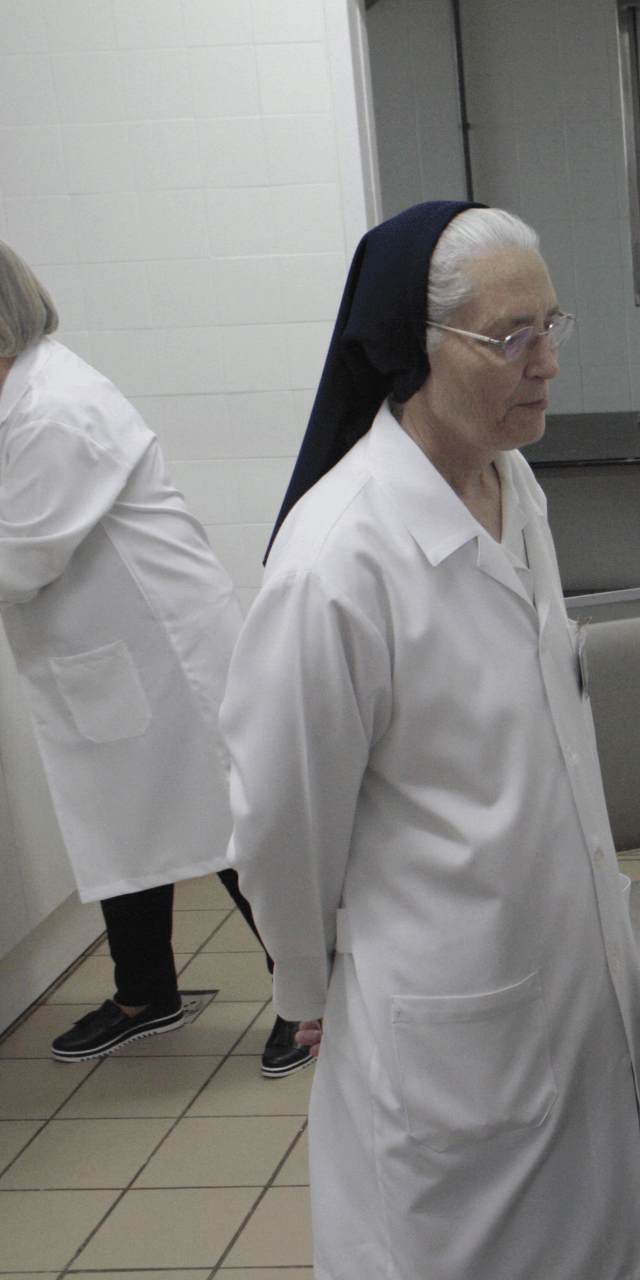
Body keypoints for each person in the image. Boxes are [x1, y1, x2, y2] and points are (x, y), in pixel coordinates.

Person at [223, 202, 640, 1280]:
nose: (547, 360)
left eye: (553, 323)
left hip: (569, 982)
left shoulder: (511, 484)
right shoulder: (340, 558)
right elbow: (281, 823)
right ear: (411, 351)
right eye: (511, 335)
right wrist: (305, 988)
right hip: (452, 1021)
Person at [0, 238, 307, 1077]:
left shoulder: (53, 408)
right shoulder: (17, 393)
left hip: (167, 654)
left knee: (233, 828)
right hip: (105, 657)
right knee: (123, 822)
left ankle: (308, 997)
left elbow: (18, 560)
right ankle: (146, 994)